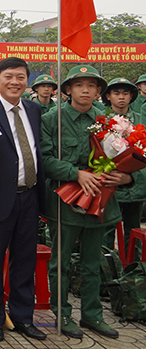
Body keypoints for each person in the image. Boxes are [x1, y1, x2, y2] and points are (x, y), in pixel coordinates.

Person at [42, 65, 130, 340]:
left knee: (94, 262)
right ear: (67, 89)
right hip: (65, 201)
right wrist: (75, 173)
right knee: (61, 262)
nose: (85, 90)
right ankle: (63, 314)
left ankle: (92, 315)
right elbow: (44, 159)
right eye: (79, 85)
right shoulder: (52, 119)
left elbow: (126, 157)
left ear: (98, 91)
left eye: (91, 86)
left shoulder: (109, 122)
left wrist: (125, 177)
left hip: (100, 201)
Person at [0, 58, 48, 342]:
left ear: (27, 81)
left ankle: (23, 317)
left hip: (29, 198)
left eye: (21, 77)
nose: (15, 82)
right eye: (9, 77)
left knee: (24, 260)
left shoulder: (37, 111)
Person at [101, 77, 145, 257]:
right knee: (106, 232)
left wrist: (134, 175)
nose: (121, 97)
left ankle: (132, 275)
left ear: (132, 96)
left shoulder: (141, 120)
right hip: (111, 185)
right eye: (116, 93)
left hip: (136, 186)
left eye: (125, 93)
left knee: (134, 233)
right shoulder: (102, 121)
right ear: (108, 96)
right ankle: (107, 273)